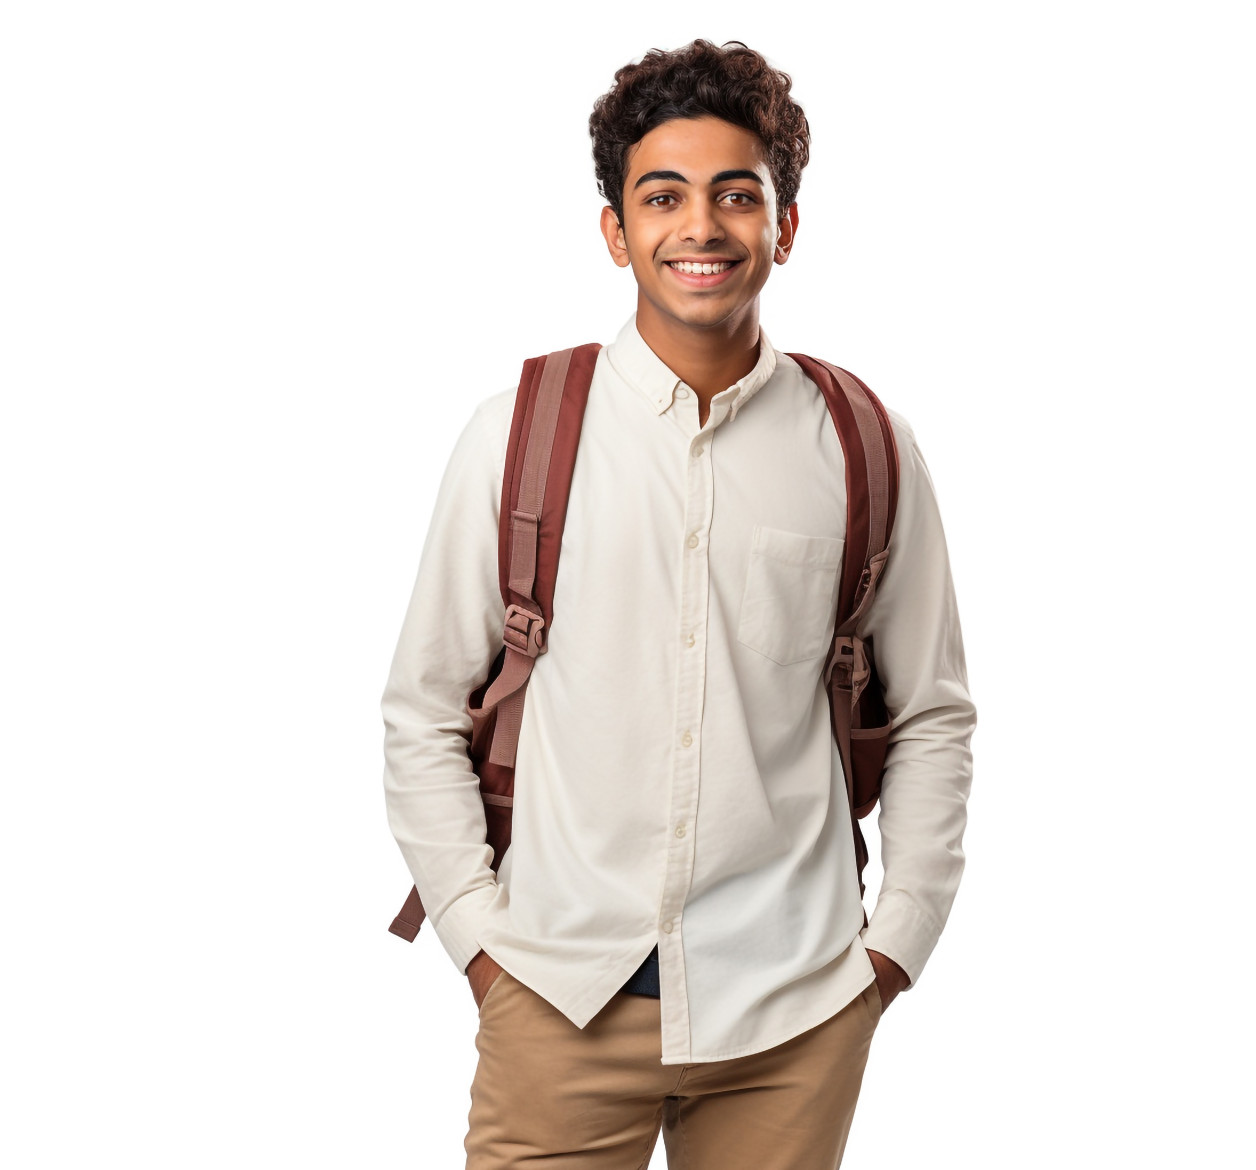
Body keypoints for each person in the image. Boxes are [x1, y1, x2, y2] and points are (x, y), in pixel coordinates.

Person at [381, 37, 977, 1170]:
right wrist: (477, 940)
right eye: (662, 196)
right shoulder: (516, 432)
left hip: (792, 1013)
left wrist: (893, 946)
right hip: (558, 994)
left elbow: (932, 714)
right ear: (615, 230)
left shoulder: (863, 448)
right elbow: (421, 708)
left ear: (783, 225)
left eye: (734, 195)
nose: (698, 227)